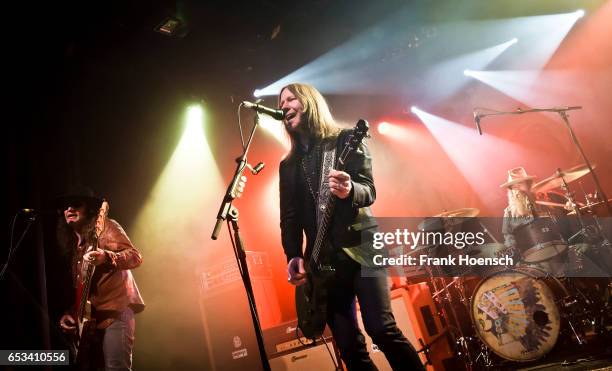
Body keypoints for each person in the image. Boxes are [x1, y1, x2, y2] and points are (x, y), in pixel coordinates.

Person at [278, 83, 423, 370]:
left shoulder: (345, 140)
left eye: (290, 98)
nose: (283, 105)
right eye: (280, 102)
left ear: (309, 102)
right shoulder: (289, 165)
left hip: (362, 249)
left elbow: (369, 190)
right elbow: (289, 216)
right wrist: (293, 254)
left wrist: (349, 190)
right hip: (324, 263)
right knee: (349, 348)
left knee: (381, 329)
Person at [56, 186, 144, 371]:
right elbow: (85, 290)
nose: (69, 209)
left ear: (88, 208)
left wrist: (106, 256)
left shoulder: (105, 227)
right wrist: (72, 314)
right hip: (93, 322)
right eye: (65, 206)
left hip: (115, 311)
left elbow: (134, 256)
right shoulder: (76, 248)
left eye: (76, 204)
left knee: (116, 367)